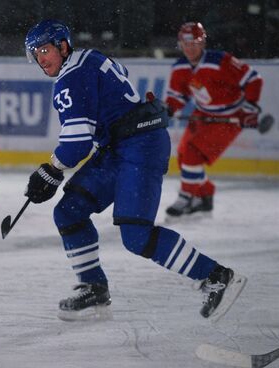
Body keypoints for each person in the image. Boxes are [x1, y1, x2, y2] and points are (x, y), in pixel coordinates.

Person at [23, 19, 247, 322]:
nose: (41, 59)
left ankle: (217, 276)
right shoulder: (90, 58)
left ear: (63, 46)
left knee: (137, 236)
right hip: (122, 145)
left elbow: (76, 145)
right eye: (36, 54)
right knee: (69, 210)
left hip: (138, 146)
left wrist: (50, 170)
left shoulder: (71, 76)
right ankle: (94, 289)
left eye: (45, 50)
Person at [165, 22, 263, 219]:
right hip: (202, 116)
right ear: (180, 44)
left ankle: (187, 197)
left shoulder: (221, 61)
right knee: (184, 155)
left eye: (195, 42)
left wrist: (249, 107)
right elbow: (177, 97)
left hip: (229, 118)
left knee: (193, 153)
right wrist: (167, 110)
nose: (190, 47)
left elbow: (253, 80)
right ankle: (205, 196)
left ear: (203, 43)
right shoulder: (180, 67)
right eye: (186, 43)